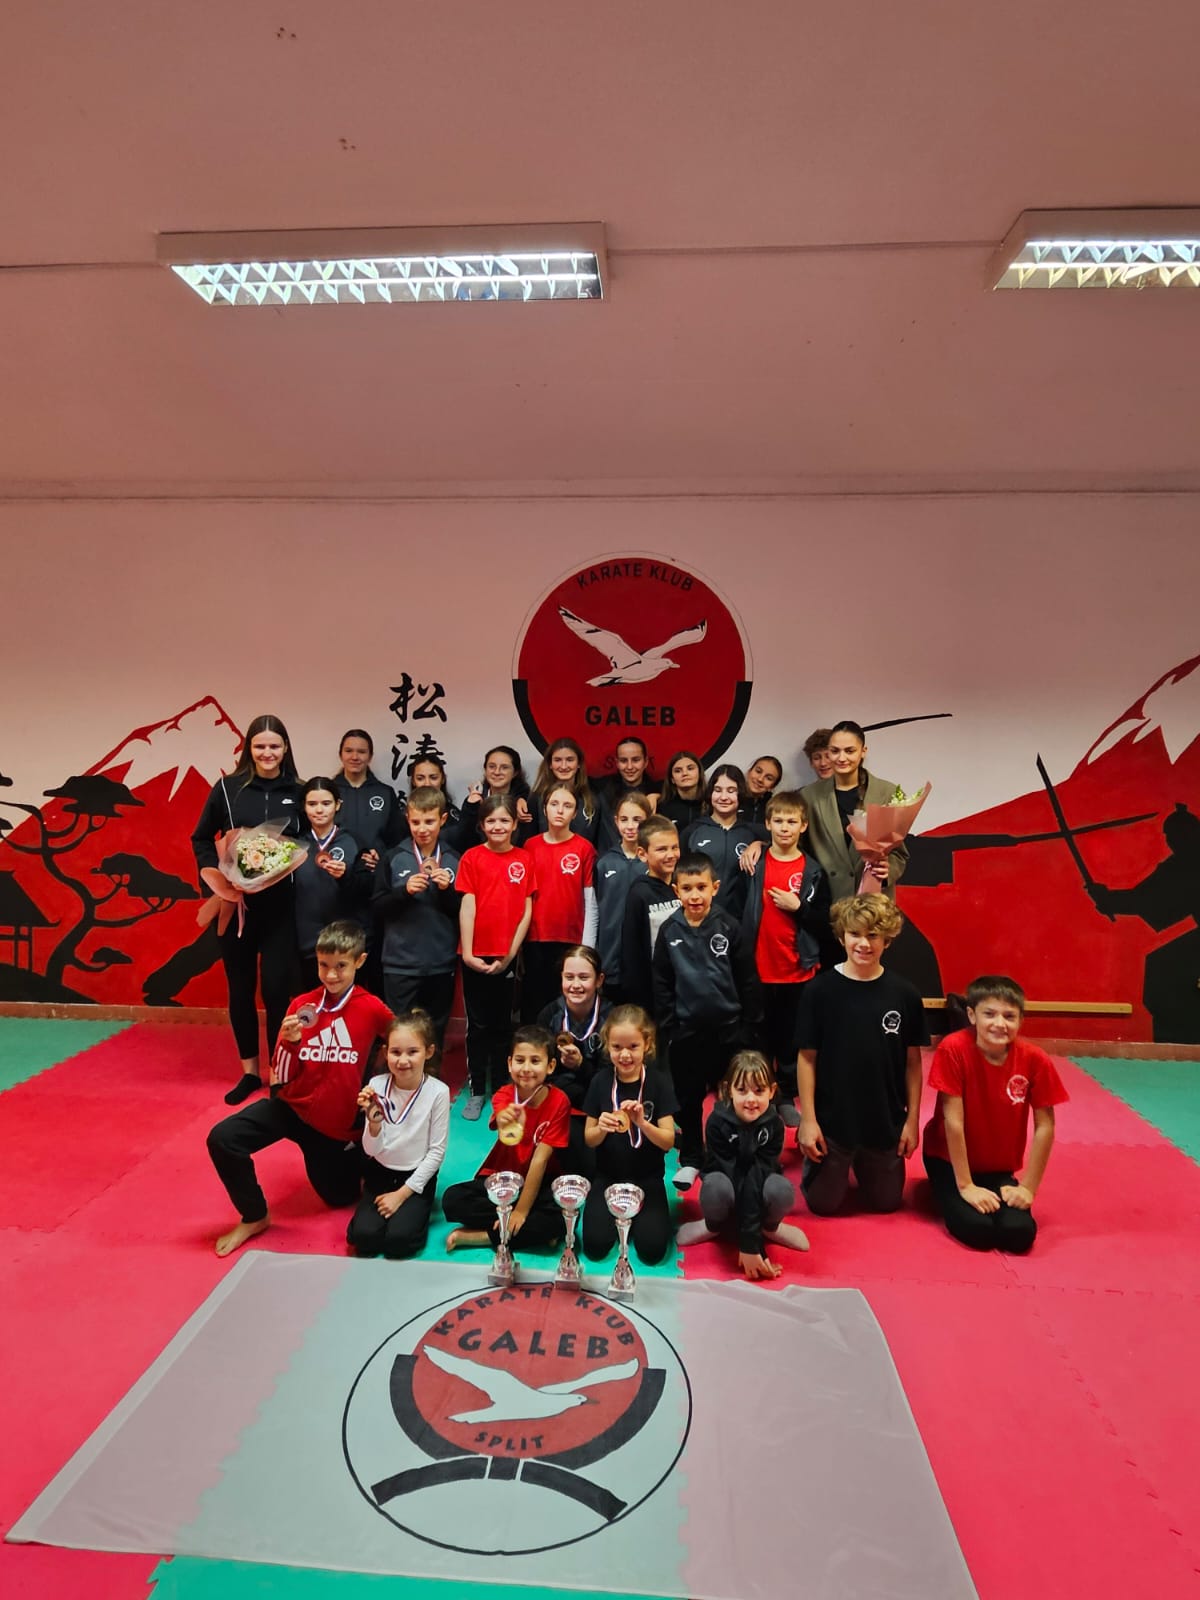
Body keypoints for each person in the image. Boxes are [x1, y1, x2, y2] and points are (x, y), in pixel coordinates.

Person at [205, 920, 392, 1256]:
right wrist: (289, 1043)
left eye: (341, 966)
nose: (331, 975)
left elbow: (405, 1045)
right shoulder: (301, 1006)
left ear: (360, 961)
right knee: (223, 1138)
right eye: (323, 965)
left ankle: (360, 1158)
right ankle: (255, 1216)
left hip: (334, 1129)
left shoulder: (373, 1009)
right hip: (291, 1107)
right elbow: (281, 1075)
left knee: (341, 1197)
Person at [192, 713, 304, 1105]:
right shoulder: (227, 789)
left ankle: (278, 1073)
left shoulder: (298, 790)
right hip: (235, 906)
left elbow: (309, 842)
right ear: (248, 748)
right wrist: (220, 879)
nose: (267, 753)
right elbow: (201, 838)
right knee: (240, 989)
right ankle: (249, 1072)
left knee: (276, 991)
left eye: (274, 746)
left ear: (285, 748)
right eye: (260, 746)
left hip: (281, 908)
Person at [796, 894, 928, 1215]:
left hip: (884, 1120)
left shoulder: (905, 995)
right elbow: (807, 1059)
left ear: (887, 940)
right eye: (855, 934)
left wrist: (911, 1121)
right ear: (842, 937)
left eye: (873, 935)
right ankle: (831, 1166)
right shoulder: (819, 991)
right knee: (823, 1205)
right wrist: (808, 1121)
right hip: (833, 1122)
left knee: (887, 1204)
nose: (864, 944)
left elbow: (913, 1064)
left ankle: (867, 1164)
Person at [923, 976, 1068, 1253]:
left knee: (1019, 1233)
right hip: (949, 1160)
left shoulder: (1034, 1059)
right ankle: (943, 1188)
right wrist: (966, 1186)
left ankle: (987, 1191)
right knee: (977, 1230)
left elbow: (1045, 1126)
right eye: (989, 1014)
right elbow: (954, 1122)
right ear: (971, 1015)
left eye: (1009, 1016)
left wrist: (1028, 1188)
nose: (999, 1024)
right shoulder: (953, 1049)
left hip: (998, 1166)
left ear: (1021, 1020)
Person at [652, 850, 762, 1191]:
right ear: (676, 891)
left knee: (730, 1098)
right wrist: (669, 1026)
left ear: (715, 887)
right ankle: (691, 1158)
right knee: (687, 1099)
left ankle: (727, 1155)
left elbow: (747, 980)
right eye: (687, 888)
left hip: (729, 1032)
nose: (695, 895)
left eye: (701, 887)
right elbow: (662, 983)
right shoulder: (669, 930)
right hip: (686, 1033)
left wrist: (748, 1027)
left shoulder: (729, 926)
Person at [739, 790, 831, 1126]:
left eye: (792, 821)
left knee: (791, 1038)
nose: (785, 827)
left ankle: (788, 1094)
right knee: (758, 1035)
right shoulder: (754, 864)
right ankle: (762, 1092)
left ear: (803, 826)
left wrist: (799, 907)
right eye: (778, 821)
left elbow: (824, 921)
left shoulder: (813, 870)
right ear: (767, 824)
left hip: (796, 969)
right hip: (758, 966)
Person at [676, 1053, 809, 1279]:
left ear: (772, 1091)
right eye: (742, 1090)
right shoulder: (717, 1122)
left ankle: (770, 1227)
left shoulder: (774, 1126)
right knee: (715, 1186)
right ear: (728, 1090)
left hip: (758, 1189)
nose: (750, 1099)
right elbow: (736, 1174)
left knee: (781, 1189)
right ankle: (712, 1225)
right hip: (727, 1187)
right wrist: (749, 1243)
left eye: (759, 1091)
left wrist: (753, 1244)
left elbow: (756, 1176)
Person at [442, 1024, 569, 1252]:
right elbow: (504, 1128)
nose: (526, 1068)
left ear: (550, 1066)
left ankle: (482, 1236)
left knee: (563, 1219)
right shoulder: (504, 1095)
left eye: (535, 1061)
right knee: (452, 1200)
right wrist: (505, 1118)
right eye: (520, 1060)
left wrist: (521, 1211)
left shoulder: (560, 1101)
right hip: (503, 1180)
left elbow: (540, 1161)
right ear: (510, 1064)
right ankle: (526, 1232)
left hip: (539, 1182)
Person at [347, 1009, 450, 1259]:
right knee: (364, 1239)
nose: (403, 1060)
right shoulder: (376, 1086)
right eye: (396, 1052)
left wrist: (401, 1195)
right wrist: (374, 1124)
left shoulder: (439, 1092)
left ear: (429, 1052)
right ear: (386, 1053)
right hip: (379, 1172)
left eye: (412, 1052)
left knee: (399, 1242)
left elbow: (436, 1153)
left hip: (415, 1176)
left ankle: (416, 1209)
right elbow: (371, 1150)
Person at [457, 794, 535, 1119]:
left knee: (503, 1025)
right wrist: (468, 953)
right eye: (491, 820)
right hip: (475, 954)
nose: (498, 826)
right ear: (482, 825)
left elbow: (527, 910)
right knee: (477, 1026)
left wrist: (511, 953)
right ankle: (477, 1089)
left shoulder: (525, 859)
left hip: (507, 955)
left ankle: (503, 1088)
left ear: (515, 824)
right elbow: (468, 905)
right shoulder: (471, 857)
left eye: (504, 820)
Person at [582, 1005, 679, 1264]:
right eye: (617, 1047)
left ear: (647, 1044)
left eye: (633, 1046)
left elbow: (668, 1141)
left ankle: (638, 1219)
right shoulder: (600, 1082)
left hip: (648, 1179)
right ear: (608, 1046)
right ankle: (623, 1217)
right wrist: (601, 1128)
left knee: (652, 1252)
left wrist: (643, 1124)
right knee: (594, 1247)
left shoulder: (659, 1082)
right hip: (607, 1177)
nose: (625, 1055)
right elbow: (589, 1139)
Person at [372, 786, 461, 1048]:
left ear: (442, 819)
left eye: (429, 821)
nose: (422, 829)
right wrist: (404, 892)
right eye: (416, 822)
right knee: (399, 1032)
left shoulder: (454, 859)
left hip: (440, 962)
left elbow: (461, 912)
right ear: (407, 820)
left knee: (435, 1033)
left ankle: (432, 1074)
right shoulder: (393, 857)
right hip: (400, 964)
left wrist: (446, 891)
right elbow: (377, 907)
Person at [799, 720, 909, 903]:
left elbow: (899, 853)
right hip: (827, 900)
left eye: (849, 751)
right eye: (835, 751)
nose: (841, 758)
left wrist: (888, 869)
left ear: (863, 751)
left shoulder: (888, 793)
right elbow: (797, 848)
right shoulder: (809, 796)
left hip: (872, 901)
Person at [521, 784, 598, 1020]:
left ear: (575, 813)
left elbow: (590, 901)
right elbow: (523, 898)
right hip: (535, 938)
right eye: (554, 804)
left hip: (571, 940)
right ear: (544, 809)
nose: (560, 810)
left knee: (564, 1007)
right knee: (534, 1004)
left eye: (567, 806)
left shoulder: (584, 848)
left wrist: (587, 946)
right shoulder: (530, 846)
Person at [536, 944, 612, 1176]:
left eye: (584, 977)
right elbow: (538, 1069)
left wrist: (581, 1066)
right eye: (569, 977)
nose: (575, 985)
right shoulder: (549, 1015)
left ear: (599, 980)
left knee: (592, 1167)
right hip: (558, 1100)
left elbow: (612, 1078)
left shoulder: (612, 1018)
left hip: (599, 1103)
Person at [293, 777, 367, 993]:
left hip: (345, 942)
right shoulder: (294, 844)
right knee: (310, 1002)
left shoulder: (354, 841)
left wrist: (345, 877)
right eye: (312, 804)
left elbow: (367, 889)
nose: (319, 810)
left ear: (337, 805)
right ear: (304, 807)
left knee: (347, 1004)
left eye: (326, 803)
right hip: (306, 939)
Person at [683, 764, 764, 919]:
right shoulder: (693, 832)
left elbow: (785, 846)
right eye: (718, 790)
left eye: (731, 791)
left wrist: (760, 844)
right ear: (710, 793)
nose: (724, 797)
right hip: (699, 920)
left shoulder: (752, 834)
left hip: (740, 921)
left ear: (740, 793)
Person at [619, 815, 681, 1012]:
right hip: (653, 992)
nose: (670, 855)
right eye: (661, 849)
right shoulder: (639, 893)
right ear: (642, 854)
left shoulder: (685, 886)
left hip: (685, 987)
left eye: (674, 847)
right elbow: (632, 950)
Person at [594, 792, 652, 1002]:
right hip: (611, 958)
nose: (630, 826)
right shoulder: (604, 863)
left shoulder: (654, 862)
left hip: (645, 961)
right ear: (616, 821)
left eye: (637, 820)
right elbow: (595, 910)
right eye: (624, 819)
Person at [334, 729, 401, 873]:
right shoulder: (328, 792)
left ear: (370, 756)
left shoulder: (385, 793)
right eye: (349, 751)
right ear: (340, 755)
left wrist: (382, 859)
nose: (355, 757)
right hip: (336, 872)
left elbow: (397, 840)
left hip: (374, 874)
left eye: (361, 752)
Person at [449, 745, 532, 851]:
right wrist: (472, 808)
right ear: (485, 770)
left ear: (515, 772)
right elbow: (462, 842)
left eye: (504, 767)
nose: (497, 772)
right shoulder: (474, 800)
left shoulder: (524, 803)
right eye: (492, 766)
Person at [528, 737, 599, 843]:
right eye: (557, 760)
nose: (564, 766)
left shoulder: (593, 795)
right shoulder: (537, 797)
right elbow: (529, 839)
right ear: (550, 764)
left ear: (579, 763)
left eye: (570, 760)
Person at [594, 737, 654, 851]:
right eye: (623, 761)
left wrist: (657, 795)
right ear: (617, 762)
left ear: (646, 762)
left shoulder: (656, 792)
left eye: (636, 760)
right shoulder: (602, 790)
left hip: (645, 859)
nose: (629, 767)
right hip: (609, 858)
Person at [395, 754, 462, 843]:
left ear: (443, 779)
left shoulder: (453, 814)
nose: (427, 784)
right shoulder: (402, 817)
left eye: (433, 778)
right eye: (420, 778)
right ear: (413, 781)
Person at [654, 750, 707, 830]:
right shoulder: (662, 807)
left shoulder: (712, 804)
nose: (685, 773)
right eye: (678, 771)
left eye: (690, 768)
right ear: (672, 779)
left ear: (700, 773)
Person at [743, 755, 783, 828]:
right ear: (749, 772)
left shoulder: (775, 809)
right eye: (758, 771)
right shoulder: (729, 799)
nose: (760, 779)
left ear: (772, 786)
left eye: (768, 778)